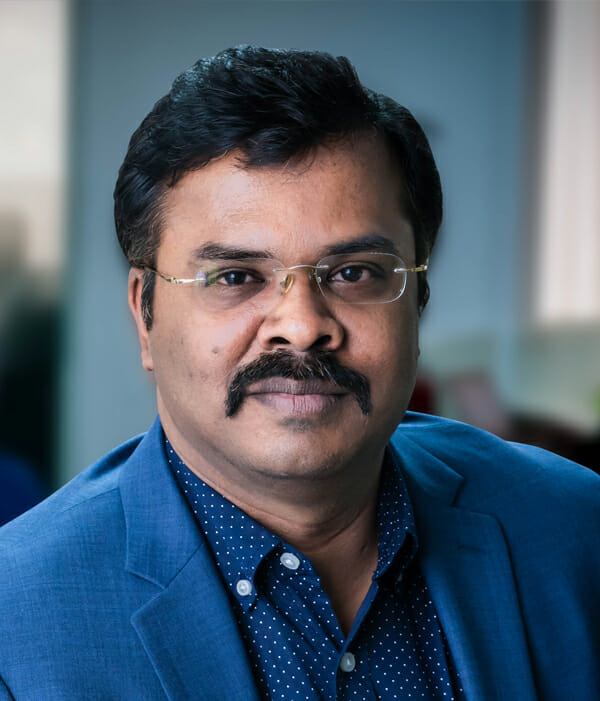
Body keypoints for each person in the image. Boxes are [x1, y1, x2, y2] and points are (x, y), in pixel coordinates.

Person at [0, 46, 598, 701]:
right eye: (235, 277)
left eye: (355, 273)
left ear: (418, 302)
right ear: (146, 315)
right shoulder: (16, 622)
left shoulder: (573, 528)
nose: (303, 325)